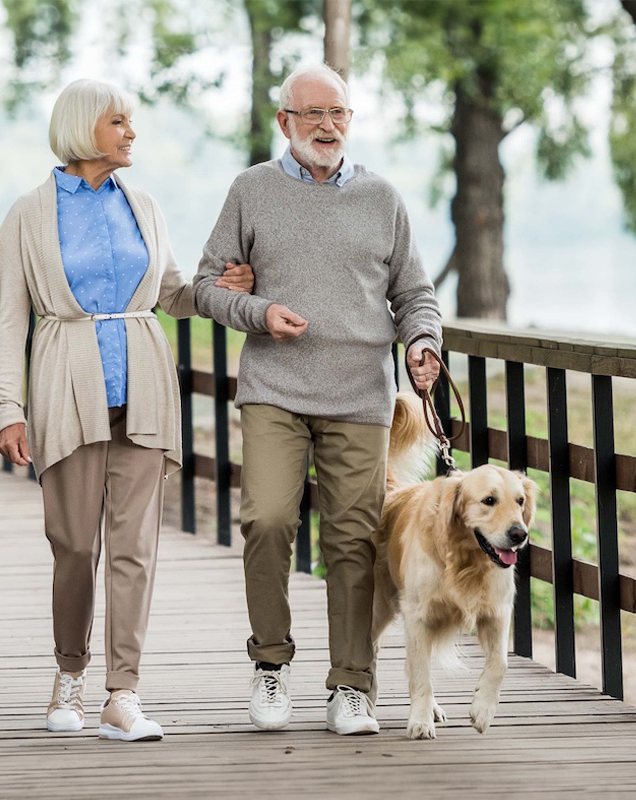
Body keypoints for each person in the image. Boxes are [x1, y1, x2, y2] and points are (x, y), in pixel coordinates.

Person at [0, 78, 253, 742]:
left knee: (135, 548)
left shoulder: (144, 204)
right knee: (74, 545)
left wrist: (218, 288)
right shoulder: (28, 214)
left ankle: (122, 693)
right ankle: (69, 675)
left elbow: (169, 292)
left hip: (143, 384)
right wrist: (9, 409)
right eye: (119, 122)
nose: (131, 133)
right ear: (85, 128)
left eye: (131, 122)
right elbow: (12, 321)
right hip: (66, 388)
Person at [193, 63, 442, 735]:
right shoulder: (252, 190)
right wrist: (259, 311)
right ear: (285, 123)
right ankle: (270, 666)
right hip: (275, 387)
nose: (327, 126)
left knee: (354, 538)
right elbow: (207, 285)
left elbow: (414, 294)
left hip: (361, 394)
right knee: (268, 520)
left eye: (339, 113)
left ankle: (352, 686)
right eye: (312, 115)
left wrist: (422, 341)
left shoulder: (383, 198)